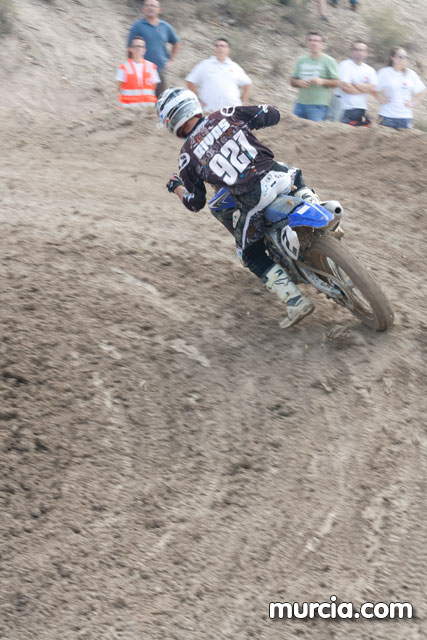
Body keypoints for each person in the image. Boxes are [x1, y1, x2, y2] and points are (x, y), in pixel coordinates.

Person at [157, 87, 319, 329]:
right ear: (193, 104)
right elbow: (273, 114)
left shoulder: (187, 156)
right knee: (296, 175)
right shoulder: (225, 114)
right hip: (277, 175)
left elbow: (195, 203)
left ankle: (295, 301)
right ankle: (317, 208)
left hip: (253, 197)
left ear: (172, 122)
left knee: (248, 253)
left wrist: (177, 188)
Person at [127, 0, 180, 97]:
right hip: (142, 70)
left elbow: (176, 42)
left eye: (153, 6)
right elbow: (129, 47)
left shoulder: (165, 27)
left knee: (161, 99)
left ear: (159, 10)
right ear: (143, 9)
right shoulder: (137, 26)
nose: (150, 8)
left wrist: (171, 60)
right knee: (141, 100)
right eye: (147, 5)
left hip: (160, 69)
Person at [185, 38, 252, 113]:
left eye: (223, 46)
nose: (220, 48)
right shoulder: (205, 64)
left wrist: (244, 103)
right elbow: (190, 80)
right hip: (210, 111)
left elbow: (247, 83)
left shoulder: (234, 66)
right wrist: (196, 100)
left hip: (232, 111)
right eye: (217, 46)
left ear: (228, 50)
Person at [290, 32, 339, 122]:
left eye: (316, 41)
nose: (313, 43)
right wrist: (298, 82)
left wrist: (321, 81)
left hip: (318, 106)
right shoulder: (301, 60)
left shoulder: (329, 61)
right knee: (292, 129)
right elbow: (292, 81)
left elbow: (336, 83)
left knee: (315, 130)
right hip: (300, 104)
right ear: (307, 43)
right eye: (310, 40)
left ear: (322, 44)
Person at [376, 47, 426, 130]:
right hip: (386, 116)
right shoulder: (384, 72)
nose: (403, 59)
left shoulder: (410, 74)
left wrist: (413, 103)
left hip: (405, 117)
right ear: (393, 58)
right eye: (400, 56)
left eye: (405, 57)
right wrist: (380, 99)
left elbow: (423, 91)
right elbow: (372, 88)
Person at [337, 41, 377, 126]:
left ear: (366, 53)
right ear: (351, 51)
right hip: (344, 109)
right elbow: (345, 87)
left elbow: (372, 88)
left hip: (361, 109)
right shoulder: (344, 65)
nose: (359, 52)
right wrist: (364, 89)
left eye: (362, 50)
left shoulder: (370, 70)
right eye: (357, 50)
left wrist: (356, 85)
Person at [116, 37, 160, 107]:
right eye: (136, 46)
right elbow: (119, 88)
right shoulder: (123, 67)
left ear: (144, 50)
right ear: (131, 49)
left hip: (147, 108)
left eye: (141, 46)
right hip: (128, 108)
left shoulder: (151, 67)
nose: (139, 48)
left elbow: (154, 86)